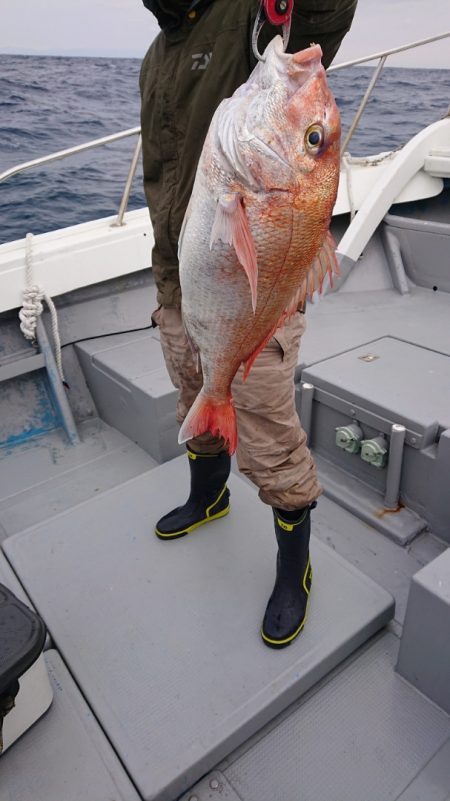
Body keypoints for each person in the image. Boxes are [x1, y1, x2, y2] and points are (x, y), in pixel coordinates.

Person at [139, 0, 357, 648]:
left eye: (311, 141)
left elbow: (321, 18)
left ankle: (295, 567)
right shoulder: (156, 55)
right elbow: (166, 173)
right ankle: (209, 496)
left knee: (268, 435)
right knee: (196, 395)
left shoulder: (246, 15)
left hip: (251, 299)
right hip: (180, 278)